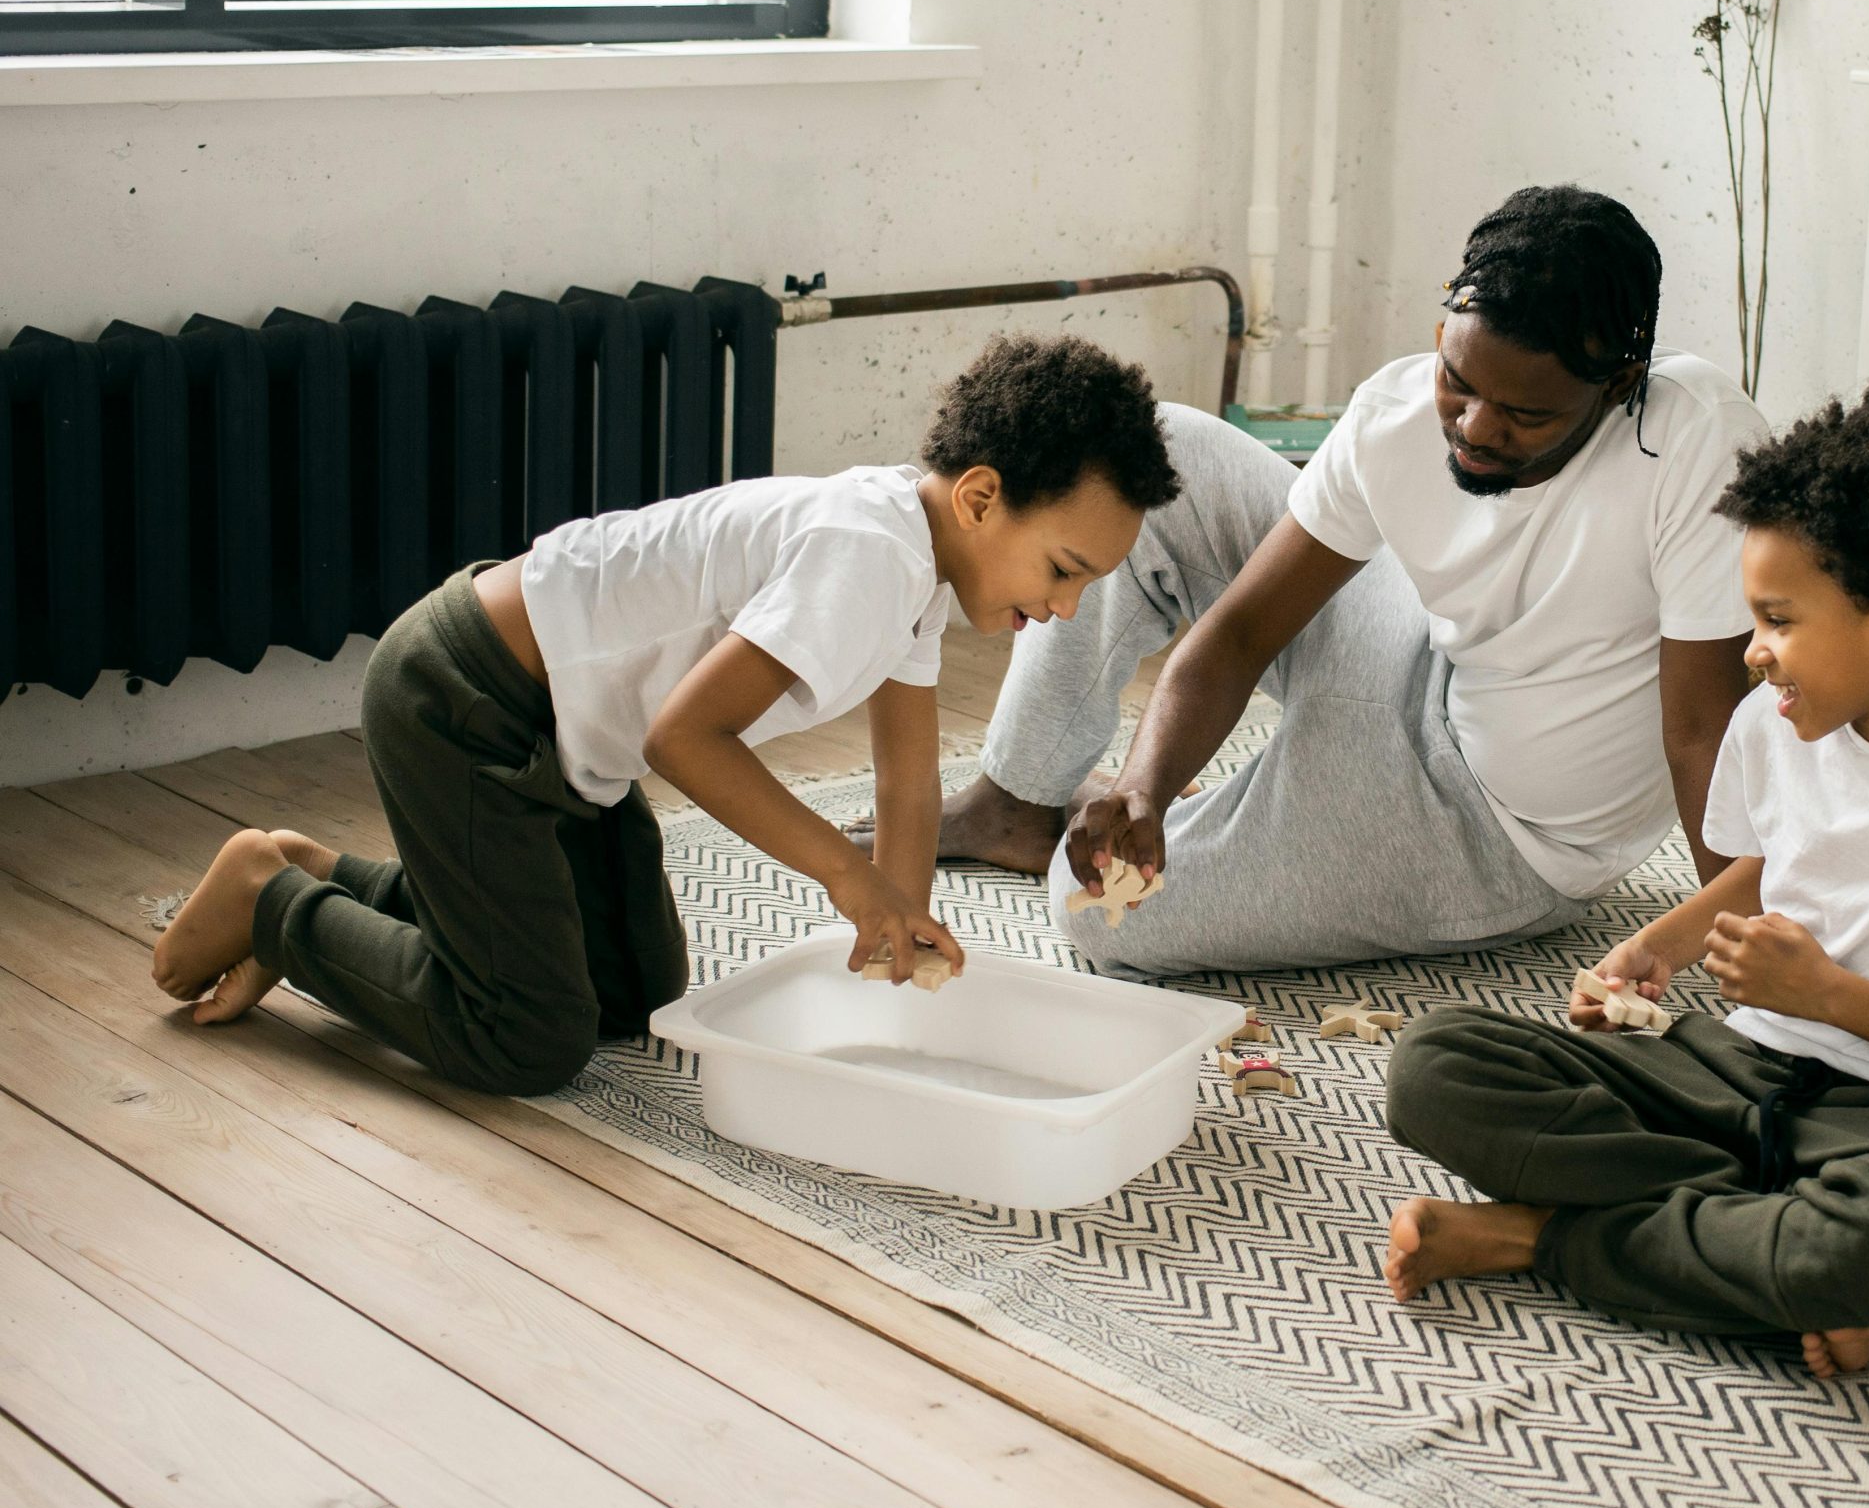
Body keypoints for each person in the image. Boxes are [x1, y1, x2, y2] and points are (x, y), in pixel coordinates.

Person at [150, 334, 1181, 1095]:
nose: (1065, 607)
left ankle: (333, 875)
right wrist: (844, 872)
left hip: (565, 754)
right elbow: (683, 738)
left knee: (634, 991)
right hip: (469, 704)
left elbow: (908, 780)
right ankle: (270, 902)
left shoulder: (916, 568)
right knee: (526, 1040)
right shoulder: (868, 552)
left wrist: (898, 926)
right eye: (1063, 568)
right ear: (979, 497)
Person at [1380, 384, 1869, 1379]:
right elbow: (1769, 866)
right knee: (1434, 1060)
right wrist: (1659, 945)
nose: (1752, 650)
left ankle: (1538, 1234)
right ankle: (1755, 1242)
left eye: (1777, 618)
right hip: (1727, 1069)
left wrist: (1832, 995)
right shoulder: (1775, 722)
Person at [876, 185, 1767, 977]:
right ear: (1440, 338)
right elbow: (1240, 632)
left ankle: (1256, 807)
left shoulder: (1692, 443)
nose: (1476, 428)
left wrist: (1743, 953)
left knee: (1095, 913)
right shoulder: (1395, 415)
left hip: (1490, 827)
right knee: (1157, 456)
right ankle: (1016, 799)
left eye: (1526, 414)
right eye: (1458, 381)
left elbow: (1702, 730)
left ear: (1617, 387)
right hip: (1410, 647)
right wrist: (1143, 785)